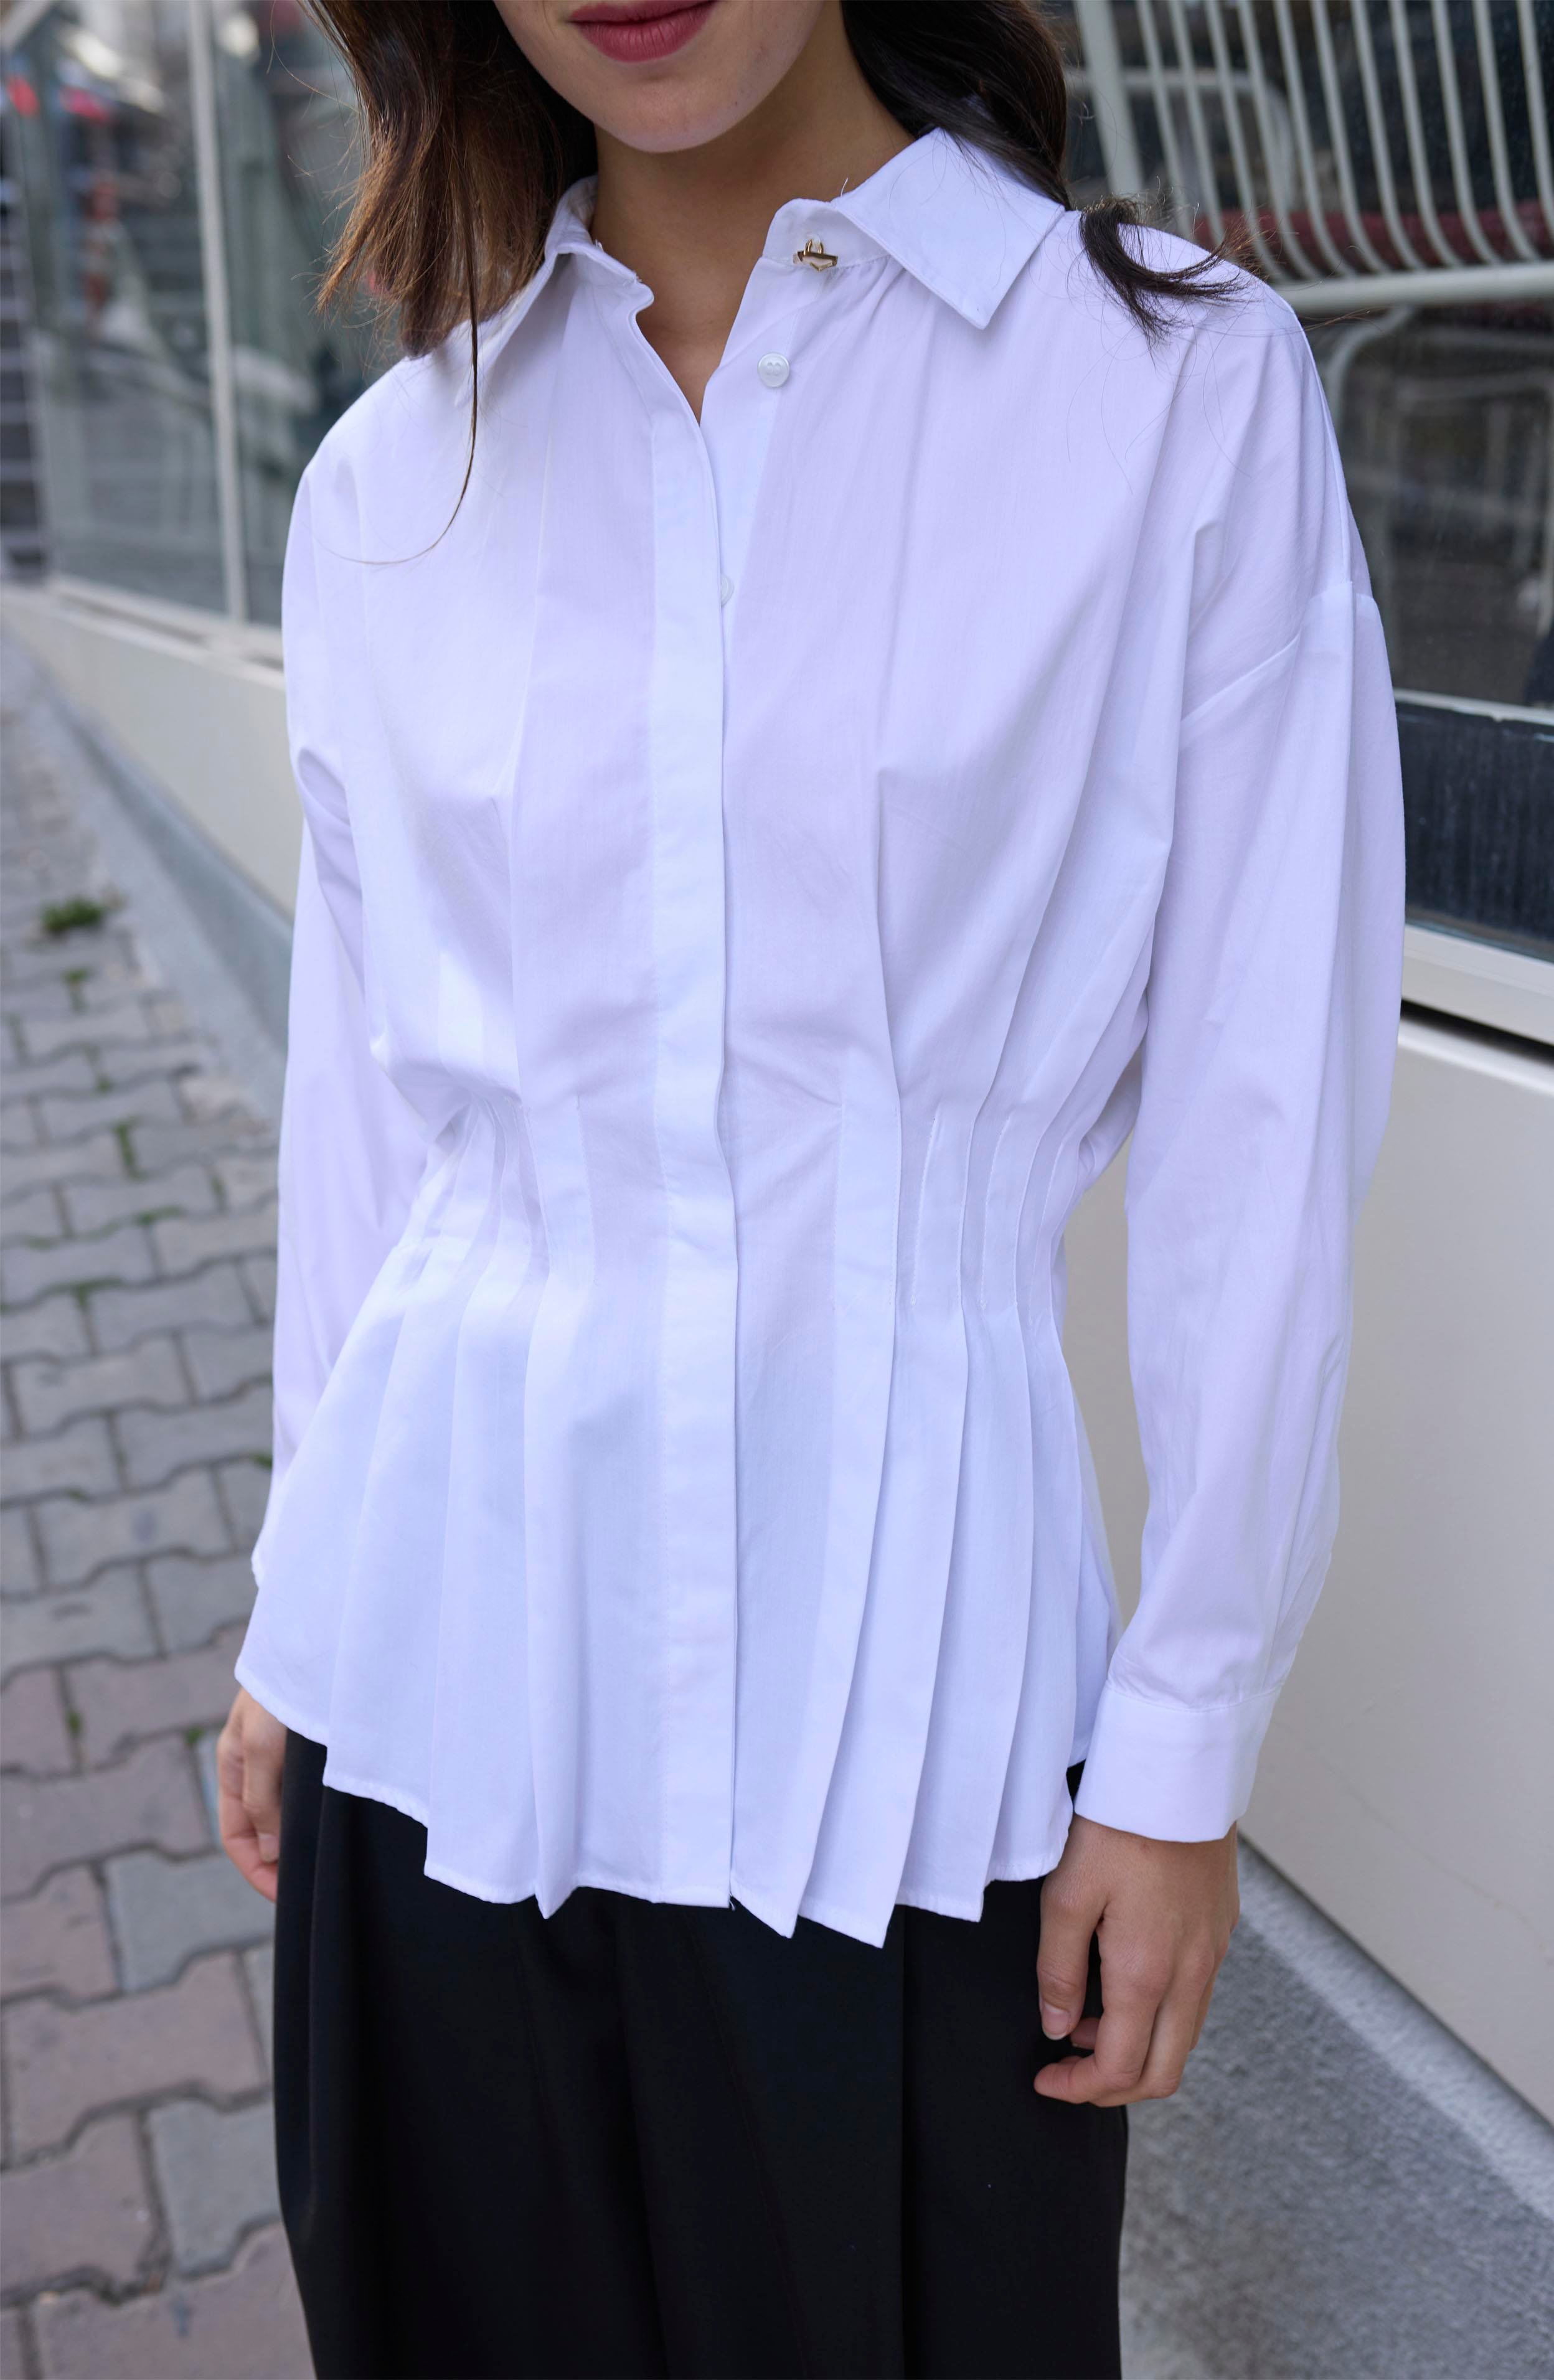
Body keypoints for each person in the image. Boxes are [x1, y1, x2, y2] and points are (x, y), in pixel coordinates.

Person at [216, 3, 1405, 2374]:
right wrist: (284, 1615)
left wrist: (1182, 1742)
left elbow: (1264, 1119)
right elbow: (374, 1118)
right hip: (429, 1697)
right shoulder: (389, 483)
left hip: (906, 1755)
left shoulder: (1167, 392)